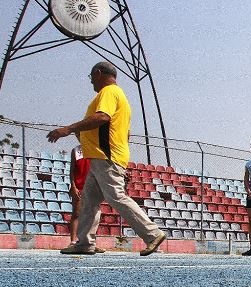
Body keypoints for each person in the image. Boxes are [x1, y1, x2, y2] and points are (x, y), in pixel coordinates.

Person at [47, 61, 165, 256]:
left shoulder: (109, 92)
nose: (91, 81)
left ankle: (152, 234)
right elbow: (125, 133)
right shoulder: (121, 97)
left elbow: (102, 117)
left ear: (99, 73)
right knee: (88, 201)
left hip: (105, 156)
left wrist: (68, 129)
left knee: (115, 196)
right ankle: (84, 243)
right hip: (101, 157)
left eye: (91, 77)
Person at [68, 141, 104, 253]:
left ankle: (90, 242)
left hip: (93, 186)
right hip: (79, 186)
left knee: (93, 215)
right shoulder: (76, 151)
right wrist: (73, 186)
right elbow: (72, 171)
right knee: (77, 213)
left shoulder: (97, 148)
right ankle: (73, 241)